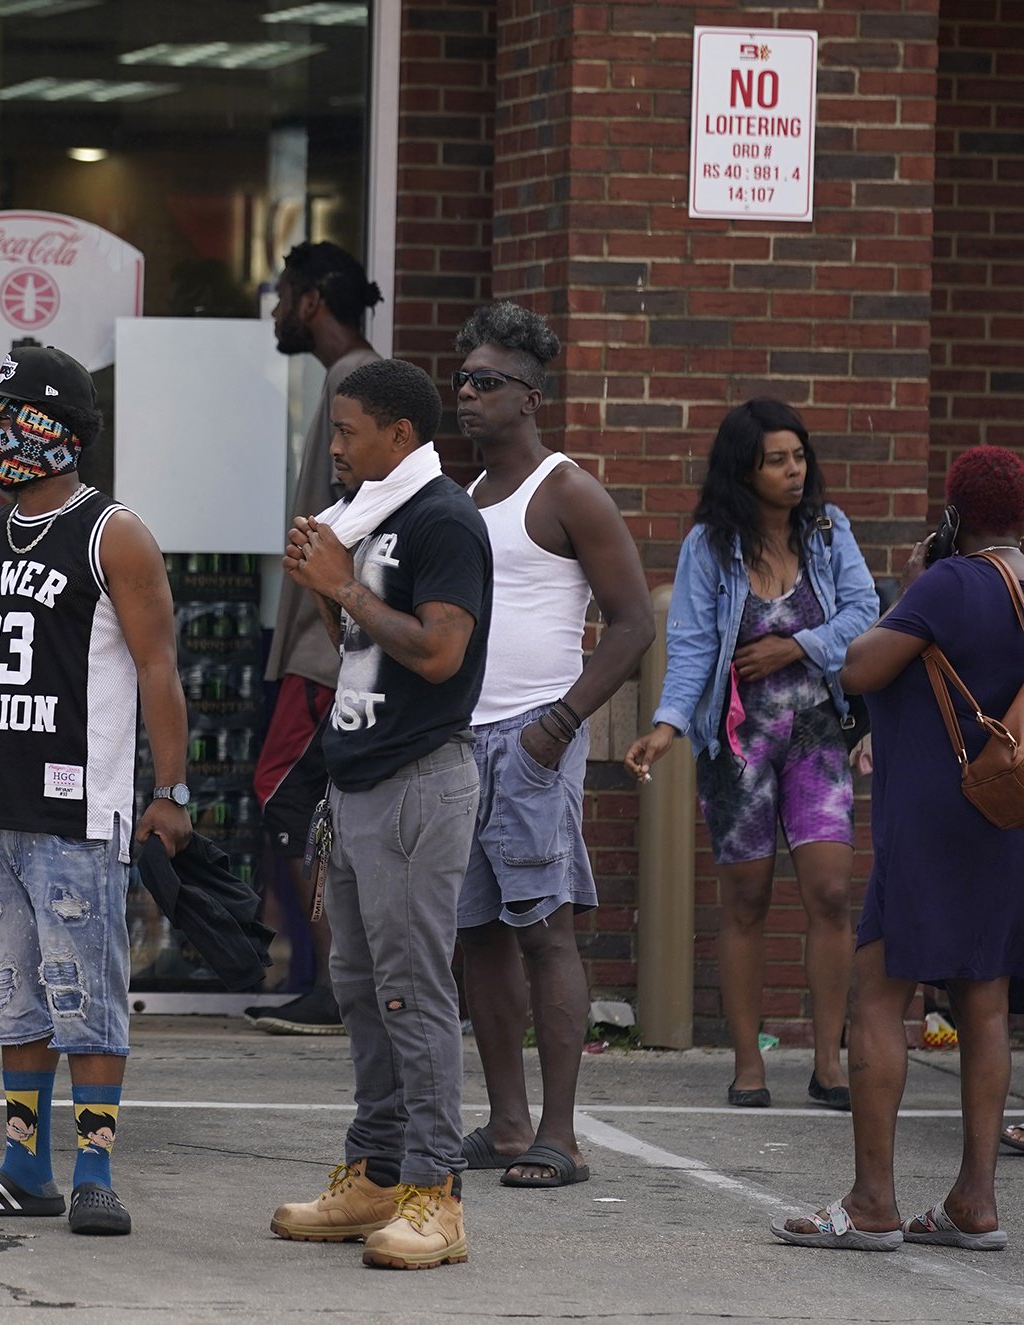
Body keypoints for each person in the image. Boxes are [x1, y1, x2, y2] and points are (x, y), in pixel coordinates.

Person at [0, 344, 192, 1238]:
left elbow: (159, 666)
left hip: (78, 803)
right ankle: (23, 1166)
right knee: (11, 989)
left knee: (89, 991)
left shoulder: (112, 530)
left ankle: (97, 1172)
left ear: (53, 429)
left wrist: (173, 789)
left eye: (6, 415)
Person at [769, 445, 1024, 1253]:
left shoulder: (952, 582)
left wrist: (915, 584)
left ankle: (872, 1201)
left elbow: (860, 665)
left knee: (878, 993)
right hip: (1003, 811)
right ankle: (973, 1201)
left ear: (957, 510)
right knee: (983, 998)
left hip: (933, 814)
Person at [271, 358, 491, 1269]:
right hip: (359, 780)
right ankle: (375, 1169)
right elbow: (358, 645)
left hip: (417, 780)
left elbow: (439, 654)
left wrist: (346, 581)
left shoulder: (444, 518)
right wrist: (329, 585)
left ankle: (436, 1194)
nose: (336, 446)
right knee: (361, 989)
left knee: (412, 989)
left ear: (400, 436)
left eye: (348, 430)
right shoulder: (371, 520)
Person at [624, 400, 878, 1110]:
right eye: (777, 459)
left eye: (799, 456)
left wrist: (798, 644)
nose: (794, 470)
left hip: (817, 736)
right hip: (738, 743)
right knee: (746, 898)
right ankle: (748, 1063)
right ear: (746, 467)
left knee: (830, 889)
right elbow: (693, 646)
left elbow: (864, 610)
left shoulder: (828, 532)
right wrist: (667, 726)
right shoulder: (711, 545)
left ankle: (829, 1061)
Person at [452, 303, 655, 1187]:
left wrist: (561, 723)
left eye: (485, 382)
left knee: (544, 932)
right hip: (460, 742)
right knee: (477, 937)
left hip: (534, 736)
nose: (466, 394)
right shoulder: (464, 498)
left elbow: (634, 623)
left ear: (530, 397)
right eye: (461, 379)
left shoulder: (568, 490)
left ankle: (560, 1135)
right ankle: (505, 1123)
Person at [248, 241, 382, 1034]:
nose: (274, 311)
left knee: (284, 793)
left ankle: (335, 981)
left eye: (283, 294)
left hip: (326, 647)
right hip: (316, 638)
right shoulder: (346, 376)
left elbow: (357, 518)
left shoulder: (354, 380)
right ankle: (332, 976)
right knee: (313, 805)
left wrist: (339, 623)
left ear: (312, 302)